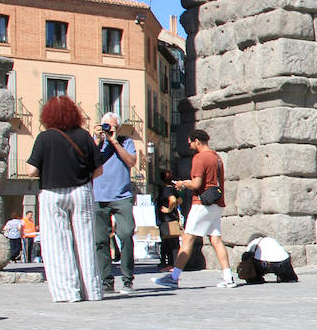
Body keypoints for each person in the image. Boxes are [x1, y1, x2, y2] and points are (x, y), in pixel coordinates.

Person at [24, 96, 103, 302]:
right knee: (85, 242)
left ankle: (68, 292)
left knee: (57, 243)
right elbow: (99, 170)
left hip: (53, 193)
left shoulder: (44, 138)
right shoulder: (85, 136)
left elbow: (32, 170)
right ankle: (92, 291)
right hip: (81, 191)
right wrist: (83, 179)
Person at [155, 129, 237, 289]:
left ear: (197, 141)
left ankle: (174, 277)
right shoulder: (216, 157)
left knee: (187, 239)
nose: (190, 146)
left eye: (191, 143)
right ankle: (228, 277)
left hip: (201, 204)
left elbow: (197, 184)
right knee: (216, 239)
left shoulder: (200, 158)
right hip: (217, 203)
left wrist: (182, 183)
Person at [93, 113, 139, 294]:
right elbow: (88, 162)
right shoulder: (95, 142)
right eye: (105, 126)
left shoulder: (125, 142)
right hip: (98, 197)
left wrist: (114, 142)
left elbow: (131, 161)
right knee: (100, 241)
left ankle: (127, 280)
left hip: (122, 197)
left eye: (111, 126)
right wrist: (98, 141)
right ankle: (106, 281)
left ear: (118, 128)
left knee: (126, 234)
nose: (108, 129)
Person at [155, 169, 181, 270]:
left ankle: (172, 264)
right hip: (173, 219)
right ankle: (172, 264)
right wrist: (174, 208)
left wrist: (168, 209)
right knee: (173, 242)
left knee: (170, 243)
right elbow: (179, 200)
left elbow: (173, 200)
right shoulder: (173, 189)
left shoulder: (166, 190)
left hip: (167, 219)